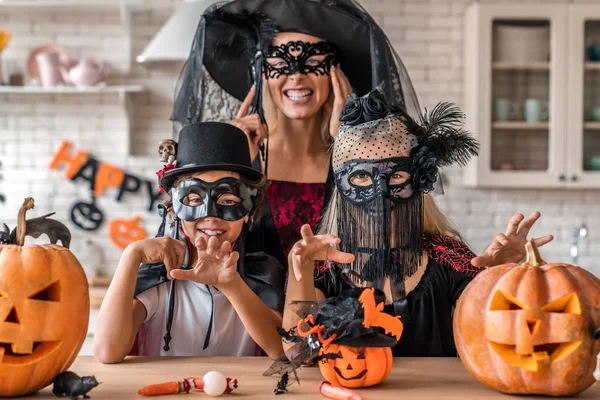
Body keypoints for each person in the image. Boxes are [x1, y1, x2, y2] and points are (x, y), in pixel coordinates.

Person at [282, 91, 552, 357]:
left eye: (396, 174)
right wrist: (302, 271)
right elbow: (297, 353)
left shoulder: (448, 260)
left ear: (418, 181)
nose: (380, 193)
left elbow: (493, 339)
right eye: (362, 176)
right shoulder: (323, 268)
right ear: (341, 187)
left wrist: (499, 276)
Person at [172, 0, 421, 267]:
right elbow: (193, 247)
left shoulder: (365, 156)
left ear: (336, 73)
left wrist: (349, 144)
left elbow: (388, 234)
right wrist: (235, 166)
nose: (296, 76)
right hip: (245, 304)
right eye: (279, 62)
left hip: (341, 304)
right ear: (262, 74)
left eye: (313, 62)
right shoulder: (244, 156)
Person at [93, 122, 285, 362]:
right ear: (174, 210)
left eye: (227, 200)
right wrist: (130, 256)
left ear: (250, 212)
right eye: (193, 199)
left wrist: (231, 285)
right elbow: (107, 351)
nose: (210, 215)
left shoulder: (263, 273)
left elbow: (282, 350)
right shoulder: (161, 276)